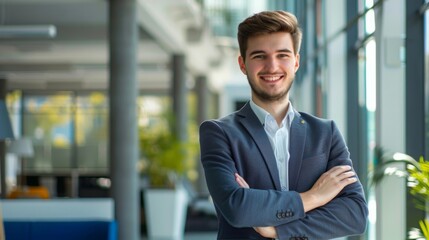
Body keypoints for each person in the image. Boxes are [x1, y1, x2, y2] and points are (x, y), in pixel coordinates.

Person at [199, 10, 368, 240]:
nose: (272, 66)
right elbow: (238, 208)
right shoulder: (219, 133)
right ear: (242, 64)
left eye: (283, 55)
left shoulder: (325, 133)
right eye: (259, 56)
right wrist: (314, 197)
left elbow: (355, 214)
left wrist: (277, 229)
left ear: (296, 62)